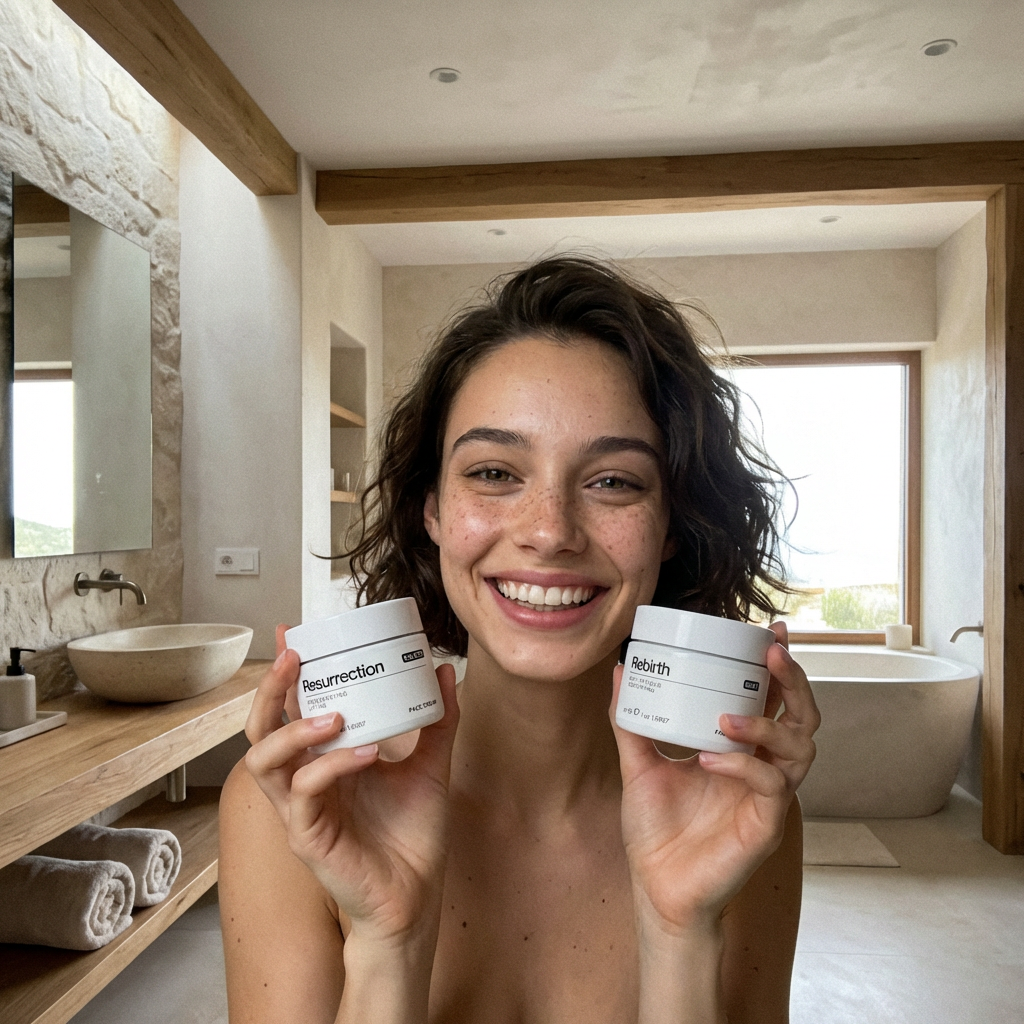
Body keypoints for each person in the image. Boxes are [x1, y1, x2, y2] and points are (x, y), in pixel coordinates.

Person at [219, 256, 820, 1024]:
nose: (549, 532)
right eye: (496, 471)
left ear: (671, 526)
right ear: (431, 510)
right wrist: (386, 940)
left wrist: (680, 933)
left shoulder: (735, 811)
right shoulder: (298, 805)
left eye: (613, 481)